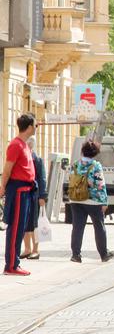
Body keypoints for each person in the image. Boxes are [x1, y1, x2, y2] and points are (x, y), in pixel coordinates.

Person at [2, 113, 37, 276]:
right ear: (29, 127)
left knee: (21, 228)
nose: (36, 128)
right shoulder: (16, 145)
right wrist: (2, 187)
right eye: (35, 125)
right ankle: (11, 265)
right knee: (15, 228)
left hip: (26, 191)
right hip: (18, 191)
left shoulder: (24, 145)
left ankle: (15, 262)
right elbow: (8, 169)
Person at [67, 139, 113, 263]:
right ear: (95, 153)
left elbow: (70, 178)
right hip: (93, 201)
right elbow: (100, 185)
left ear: (83, 151)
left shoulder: (75, 164)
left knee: (77, 227)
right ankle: (104, 254)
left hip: (76, 200)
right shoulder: (96, 165)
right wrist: (104, 202)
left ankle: (76, 254)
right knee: (99, 227)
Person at [21, 148, 46, 261]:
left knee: (35, 224)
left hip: (35, 195)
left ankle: (35, 250)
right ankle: (27, 249)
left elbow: (42, 179)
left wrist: (42, 196)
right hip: (24, 194)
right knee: (25, 222)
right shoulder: (22, 159)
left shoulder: (38, 160)